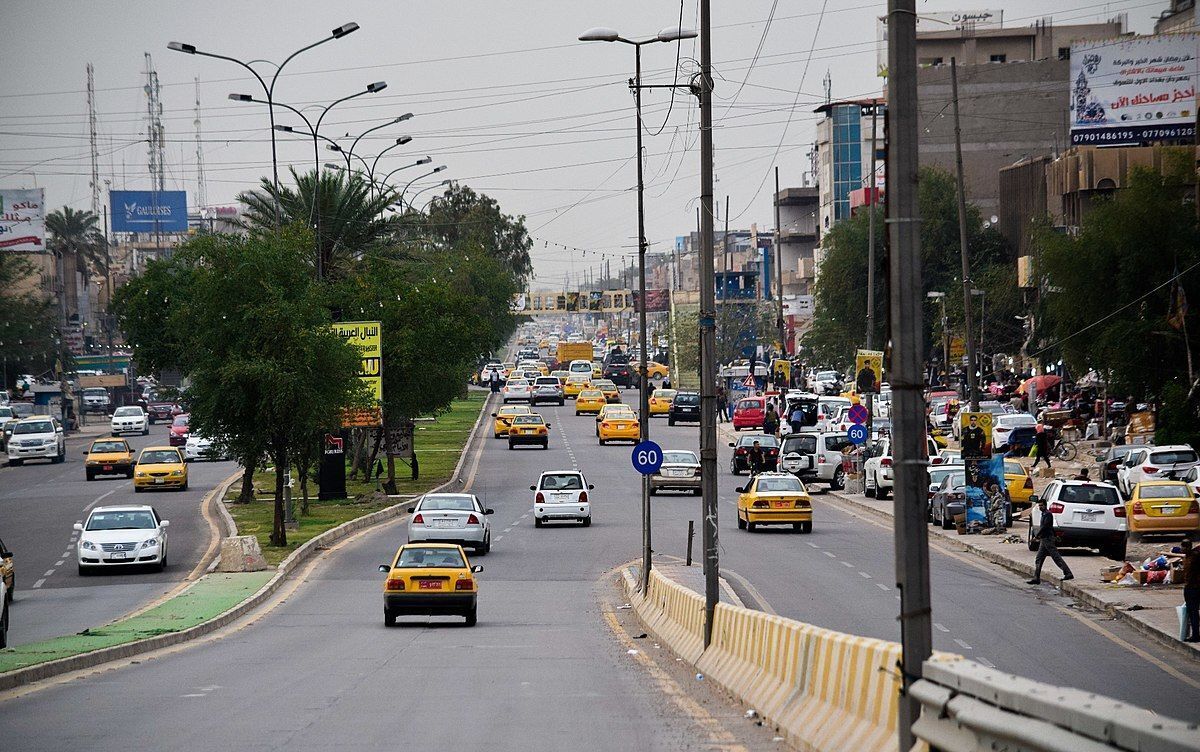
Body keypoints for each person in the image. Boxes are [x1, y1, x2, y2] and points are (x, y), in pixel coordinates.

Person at [1027, 498, 1073, 585]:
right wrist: (1055, 535)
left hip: (1048, 539)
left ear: (1045, 505)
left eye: (1042, 505)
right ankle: (1036, 578)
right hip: (1044, 540)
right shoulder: (1044, 514)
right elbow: (1050, 527)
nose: (1040, 507)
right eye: (1039, 505)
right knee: (1039, 558)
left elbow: (1045, 527)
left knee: (1056, 557)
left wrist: (1036, 536)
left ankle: (1068, 573)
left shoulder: (1048, 514)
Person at [1183, 538, 1200, 643]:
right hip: (1189, 587)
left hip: (1193, 588)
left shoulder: (1194, 558)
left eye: (1185, 546)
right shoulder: (1187, 557)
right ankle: (1195, 633)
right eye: (1182, 546)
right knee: (1192, 611)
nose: (1183, 548)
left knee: (1193, 611)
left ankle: (1195, 635)